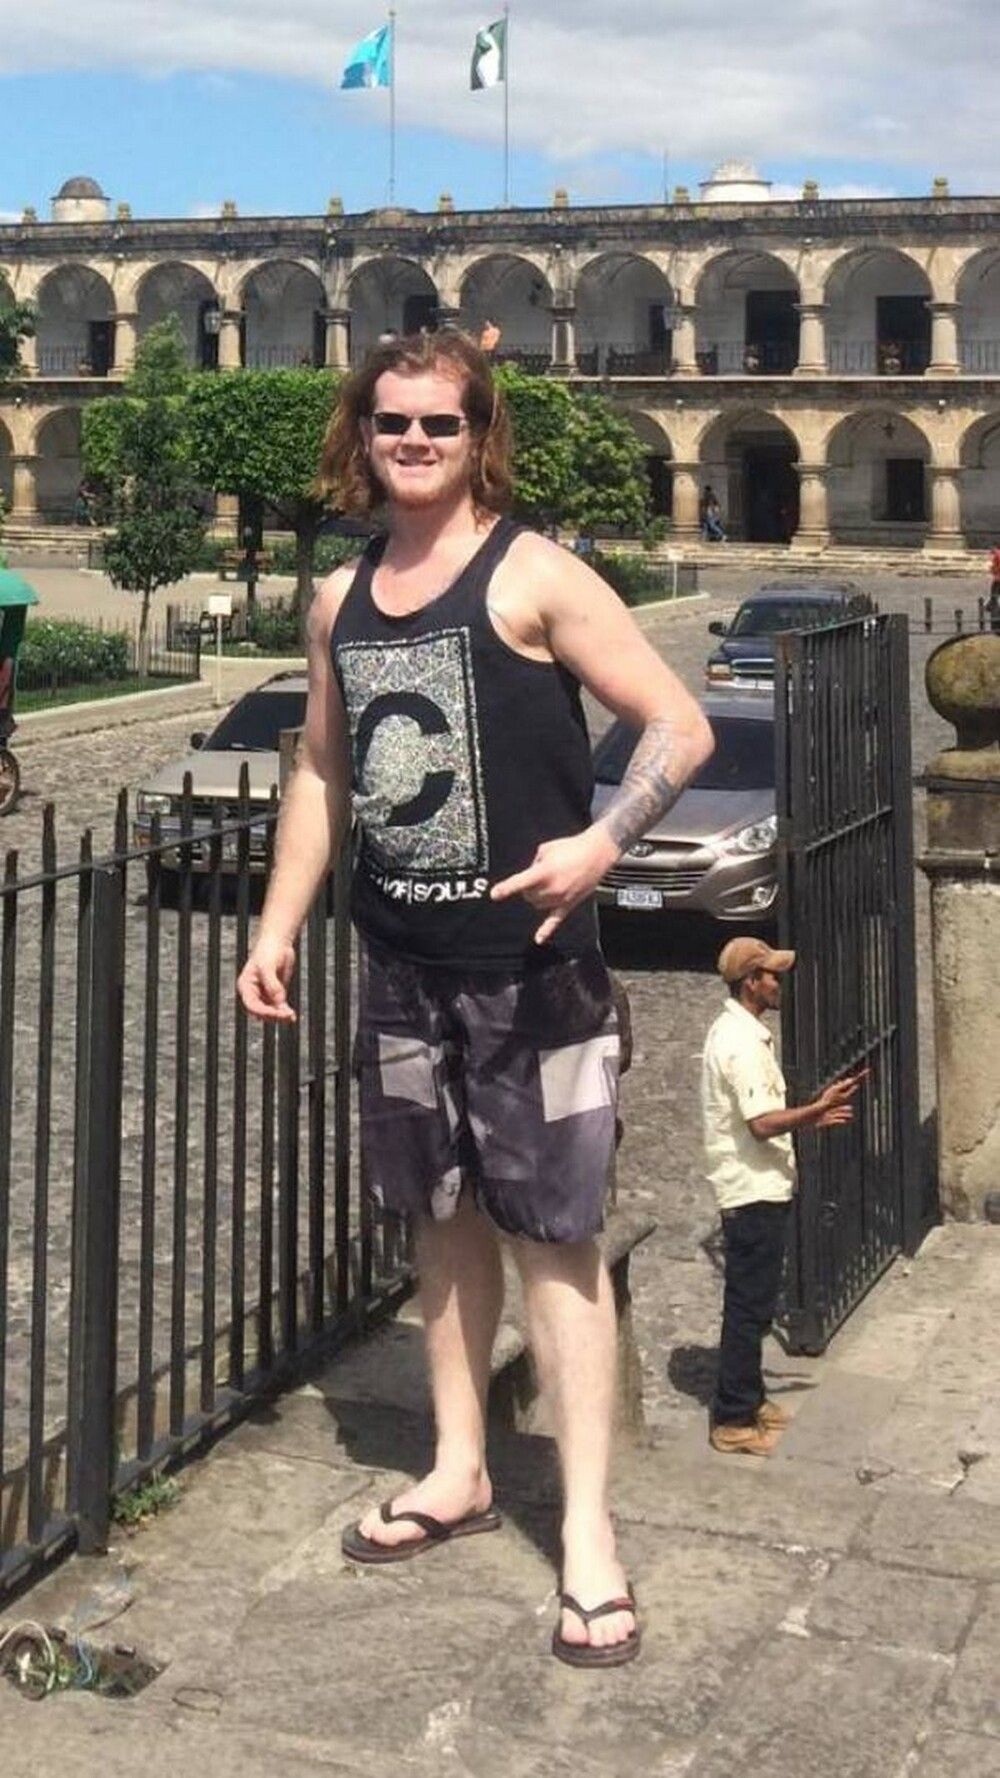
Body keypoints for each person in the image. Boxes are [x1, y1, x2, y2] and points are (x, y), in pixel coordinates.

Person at [237, 328, 713, 1667]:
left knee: (556, 1239)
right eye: (392, 421)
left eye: (439, 423)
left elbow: (678, 723)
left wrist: (603, 840)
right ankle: (458, 1466)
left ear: (478, 434)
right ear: (362, 431)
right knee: (438, 1217)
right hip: (402, 964)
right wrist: (277, 923)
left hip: (533, 974)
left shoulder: (535, 574)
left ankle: (589, 1532)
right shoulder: (341, 597)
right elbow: (322, 771)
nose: (413, 442)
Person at [701, 937, 865, 1457]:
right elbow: (762, 1123)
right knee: (748, 1308)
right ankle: (732, 1418)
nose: (779, 984)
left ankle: (750, 1400)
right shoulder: (741, 1044)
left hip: (759, 1185)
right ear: (751, 982)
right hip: (751, 1191)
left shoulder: (742, 1033)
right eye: (772, 975)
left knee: (754, 1304)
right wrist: (815, 1111)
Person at [988, 546, 1000, 634]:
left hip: (997, 580)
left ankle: (995, 623)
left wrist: (992, 569)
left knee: (994, 597)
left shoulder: (996, 554)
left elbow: (994, 567)